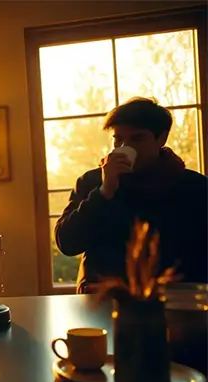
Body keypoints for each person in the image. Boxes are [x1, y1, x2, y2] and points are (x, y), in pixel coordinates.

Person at [55, 97, 207, 293]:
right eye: (118, 139)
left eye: (137, 139)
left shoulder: (194, 186)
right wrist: (104, 192)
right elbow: (67, 242)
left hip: (177, 301)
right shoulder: (93, 182)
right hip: (103, 301)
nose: (125, 147)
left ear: (161, 139)